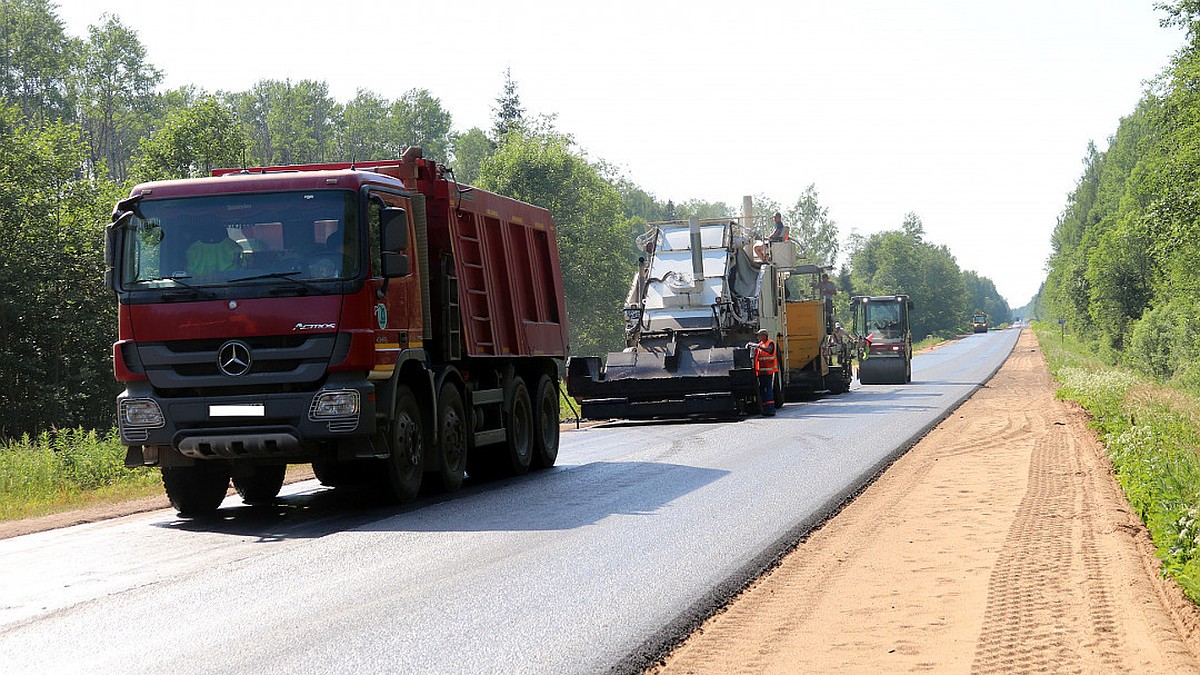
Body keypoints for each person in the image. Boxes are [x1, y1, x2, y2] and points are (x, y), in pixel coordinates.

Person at [748, 328, 779, 416]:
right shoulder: (760, 344)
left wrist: (758, 346)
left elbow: (769, 350)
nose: (758, 337)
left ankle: (771, 409)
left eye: (759, 335)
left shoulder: (770, 343)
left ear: (764, 336)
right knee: (763, 391)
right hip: (761, 372)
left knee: (768, 390)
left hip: (768, 372)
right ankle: (765, 409)